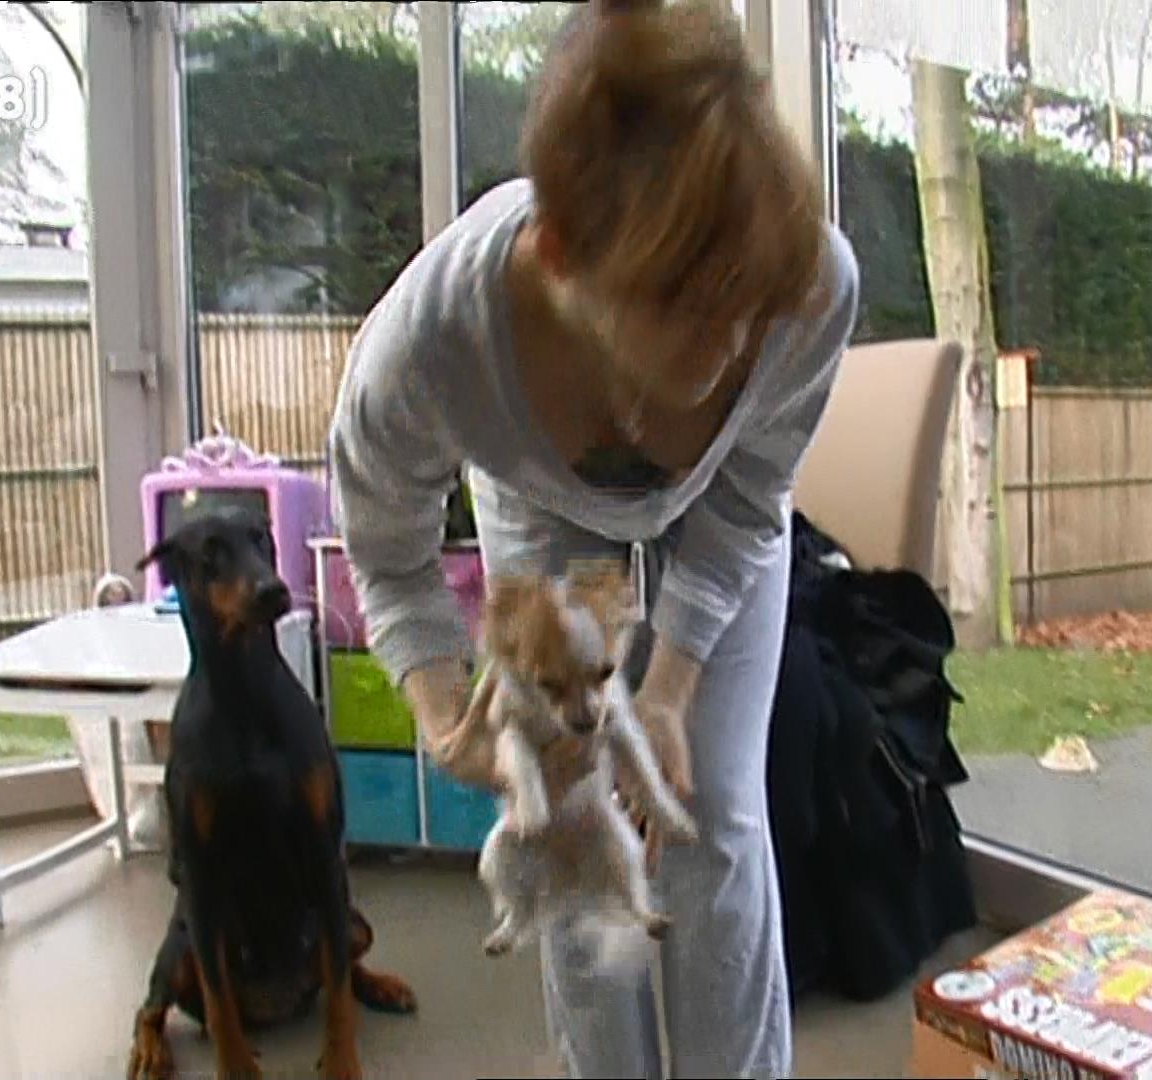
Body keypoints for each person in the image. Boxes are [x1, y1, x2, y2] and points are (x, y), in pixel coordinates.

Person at [325, 0, 858, 1075]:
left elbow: (749, 502)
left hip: (720, 516)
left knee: (712, 811)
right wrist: (446, 718)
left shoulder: (808, 288)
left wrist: (667, 694)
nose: (736, 350)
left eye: (750, 309)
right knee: (569, 817)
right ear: (565, 255)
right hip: (541, 501)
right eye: (697, 309)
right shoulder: (435, 341)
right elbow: (385, 549)